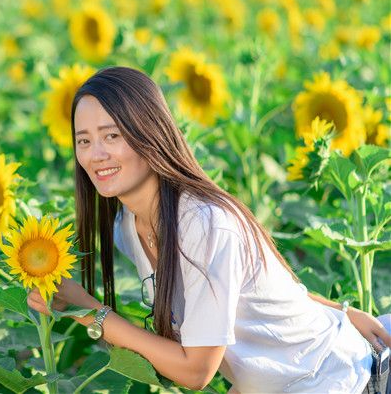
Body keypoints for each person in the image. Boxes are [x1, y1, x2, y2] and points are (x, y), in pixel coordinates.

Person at [26, 66, 391, 393]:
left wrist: (90, 311)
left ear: (149, 133)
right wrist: (339, 310)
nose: (95, 155)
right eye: (84, 140)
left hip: (343, 378)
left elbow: (197, 371)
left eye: (112, 136)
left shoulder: (203, 223)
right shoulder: (128, 228)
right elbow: (255, 284)